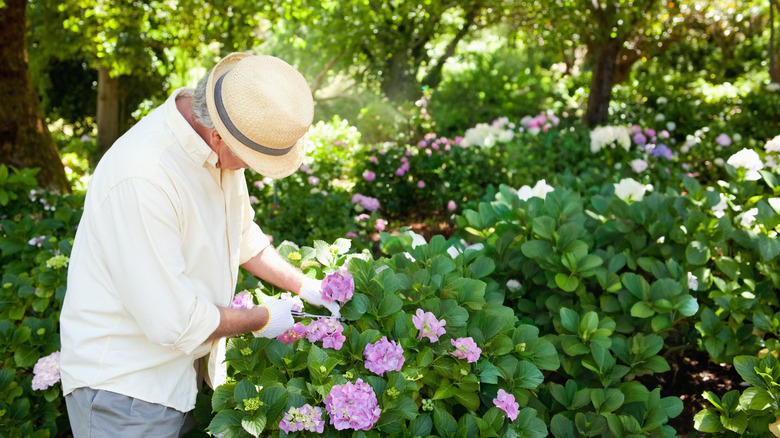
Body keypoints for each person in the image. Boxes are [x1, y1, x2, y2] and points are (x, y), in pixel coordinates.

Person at [59, 52, 339, 437]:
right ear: (218, 136)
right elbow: (174, 321)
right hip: (124, 391)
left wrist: (305, 286)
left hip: (179, 378)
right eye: (249, 161)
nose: (248, 169)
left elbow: (244, 237)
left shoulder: (222, 142)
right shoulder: (145, 176)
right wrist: (263, 317)